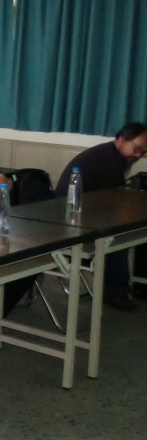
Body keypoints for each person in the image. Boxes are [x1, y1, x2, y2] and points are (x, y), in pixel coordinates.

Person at [54, 122, 147, 310]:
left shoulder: (113, 155)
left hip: (88, 211)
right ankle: (116, 291)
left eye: (143, 152)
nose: (138, 155)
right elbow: (116, 200)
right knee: (118, 234)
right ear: (121, 139)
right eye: (137, 149)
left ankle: (133, 286)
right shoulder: (108, 160)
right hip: (69, 217)